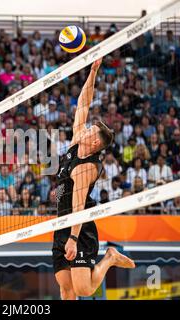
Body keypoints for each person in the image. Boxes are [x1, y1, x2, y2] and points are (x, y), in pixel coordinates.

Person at [52, 58, 135, 301]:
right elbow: (82, 105)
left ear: (96, 142)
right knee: (65, 290)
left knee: (83, 290)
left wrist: (73, 238)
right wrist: (93, 72)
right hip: (61, 222)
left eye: (90, 130)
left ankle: (110, 257)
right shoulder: (78, 141)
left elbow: (78, 205)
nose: (85, 128)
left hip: (80, 226)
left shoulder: (88, 166)